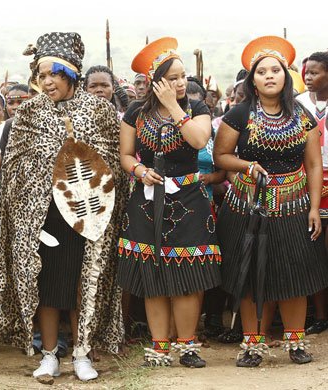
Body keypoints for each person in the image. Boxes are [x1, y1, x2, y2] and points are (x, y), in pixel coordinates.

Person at [0, 32, 127, 383]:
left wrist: (80, 155)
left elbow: (112, 157)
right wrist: (53, 157)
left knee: (85, 282)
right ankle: (49, 354)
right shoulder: (30, 111)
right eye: (41, 75)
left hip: (88, 210)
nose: (46, 81)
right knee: (48, 284)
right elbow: (14, 165)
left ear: (71, 74)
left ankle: (82, 353)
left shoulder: (99, 109)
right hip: (42, 213)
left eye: (54, 74)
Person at [214, 36, 328, 367]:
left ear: (285, 76)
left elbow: (314, 163)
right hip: (248, 205)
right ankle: (253, 344)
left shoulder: (303, 115)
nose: (269, 76)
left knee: (295, 273)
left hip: (294, 204)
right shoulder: (239, 114)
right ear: (252, 80)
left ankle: (295, 340)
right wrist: (247, 166)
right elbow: (222, 156)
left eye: (275, 70)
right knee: (251, 274)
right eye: (261, 71)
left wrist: (313, 207)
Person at [117, 37, 221, 368]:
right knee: (152, 274)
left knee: (188, 273)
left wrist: (175, 107)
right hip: (147, 201)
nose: (179, 82)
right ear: (156, 80)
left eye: (182, 76)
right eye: (172, 77)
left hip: (189, 200)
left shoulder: (197, 108)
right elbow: (125, 154)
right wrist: (140, 169)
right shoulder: (135, 111)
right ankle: (159, 347)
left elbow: (199, 139)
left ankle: (187, 346)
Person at [296, 52, 328, 335]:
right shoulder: (298, 104)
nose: (308, 77)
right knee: (312, 250)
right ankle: (319, 316)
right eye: (306, 72)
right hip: (306, 182)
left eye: (315, 73)